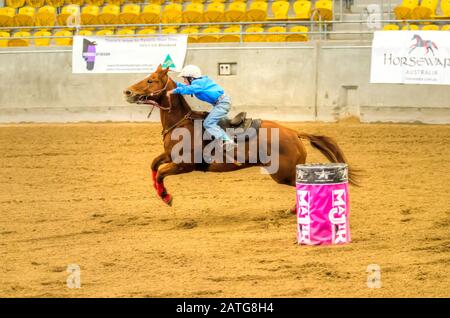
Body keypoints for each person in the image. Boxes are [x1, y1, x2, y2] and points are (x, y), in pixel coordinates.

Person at [167, 65, 236, 150]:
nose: (184, 80)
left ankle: (227, 141)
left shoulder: (198, 84)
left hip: (221, 104)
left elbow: (188, 89)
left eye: (185, 78)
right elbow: (185, 87)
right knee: (214, 121)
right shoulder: (199, 82)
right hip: (220, 103)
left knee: (208, 123)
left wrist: (173, 91)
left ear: (191, 78)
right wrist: (171, 82)